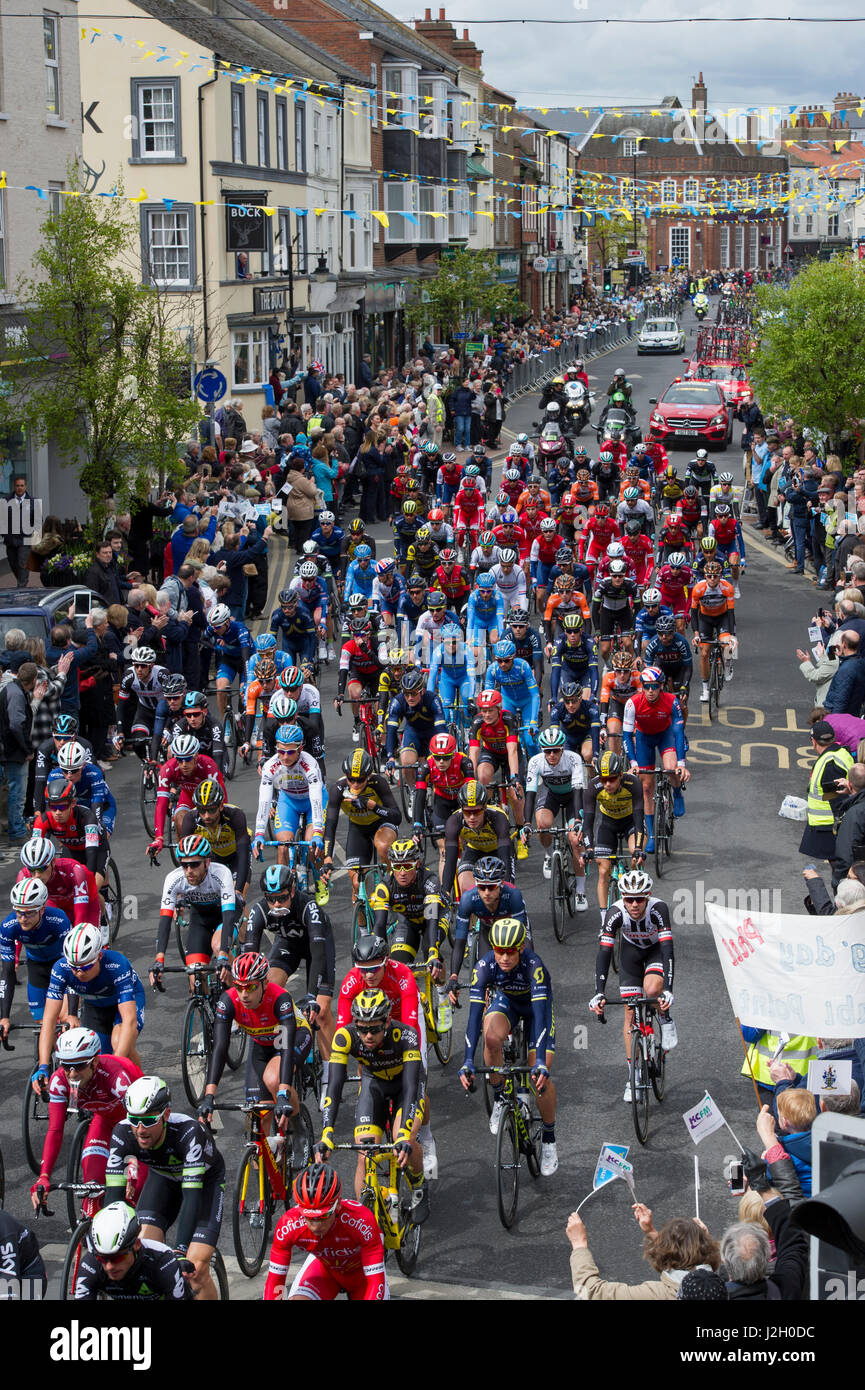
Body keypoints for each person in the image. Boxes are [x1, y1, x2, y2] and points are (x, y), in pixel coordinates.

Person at [105, 1076, 224, 1300]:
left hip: (204, 1184)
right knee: (137, 1257)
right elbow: (113, 1197)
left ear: (166, 1115)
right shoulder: (122, 1133)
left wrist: (179, 1252)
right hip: (163, 1179)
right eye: (134, 1119)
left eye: (149, 1120)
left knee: (194, 1270)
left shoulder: (188, 1132)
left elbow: (191, 1196)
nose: (140, 1129)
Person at [459, 917, 558, 1176]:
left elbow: (540, 1015)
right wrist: (468, 1060)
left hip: (536, 1010)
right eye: (499, 951)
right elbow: (472, 1017)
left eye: (510, 951)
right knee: (490, 1037)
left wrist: (538, 1064)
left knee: (540, 1078)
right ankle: (500, 1097)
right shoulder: (484, 966)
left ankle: (549, 1138)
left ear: (521, 948)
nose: (503, 957)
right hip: (508, 1003)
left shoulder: (534, 967)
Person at [590, 868, 676, 1101]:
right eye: (629, 899)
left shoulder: (659, 909)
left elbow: (668, 949)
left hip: (655, 952)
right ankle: (633, 1076)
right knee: (630, 1014)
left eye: (639, 899)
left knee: (651, 989)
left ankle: (665, 1018)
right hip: (631, 955)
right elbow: (604, 953)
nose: (635, 904)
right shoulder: (615, 913)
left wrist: (668, 989)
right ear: (623, 898)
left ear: (648, 896)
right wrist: (599, 992)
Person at [263, 1163, 387, 1301]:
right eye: (309, 1217)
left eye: (323, 1216)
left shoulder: (361, 1221)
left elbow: (376, 1282)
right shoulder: (288, 1224)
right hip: (324, 1271)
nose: (316, 1226)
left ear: (338, 1204)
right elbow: (275, 1282)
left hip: (362, 1275)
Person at [567, 1204, 722, 1301]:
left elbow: (592, 1291)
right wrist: (651, 1231)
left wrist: (579, 1244)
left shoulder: (656, 1295)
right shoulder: (721, 1283)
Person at [72, 1201, 191, 1302]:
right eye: (102, 1258)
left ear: (136, 1245)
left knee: (197, 1277)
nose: (109, 1267)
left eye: (117, 1258)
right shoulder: (90, 1264)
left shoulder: (163, 1261)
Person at [0, 661, 47, 841]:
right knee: (17, 792)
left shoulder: (13, 690)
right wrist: (27, 749)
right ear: (34, 680)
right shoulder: (16, 694)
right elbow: (16, 725)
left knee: (12, 791)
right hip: (13, 752)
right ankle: (17, 831)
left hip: (8, 749)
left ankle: (14, 828)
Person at [799, 719, 854, 862]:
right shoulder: (841, 752)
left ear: (813, 741)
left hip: (829, 826)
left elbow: (837, 800)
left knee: (838, 867)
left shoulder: (830, 764)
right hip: (829, 824)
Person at [0, 475, 36, 585]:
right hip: (10, 540)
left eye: (22, 485)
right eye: (17, 486)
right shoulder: (5, 501)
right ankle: (22, 583)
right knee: (14, 565)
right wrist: (4, 535)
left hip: (25, 540)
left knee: (22, 564)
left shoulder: (32, 502)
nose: (19, 488)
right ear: (14, 487)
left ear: (25, 487)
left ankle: (21, 588)